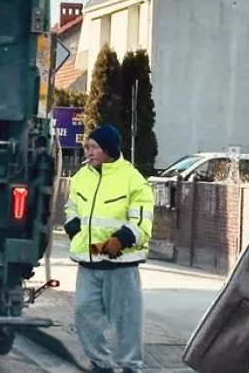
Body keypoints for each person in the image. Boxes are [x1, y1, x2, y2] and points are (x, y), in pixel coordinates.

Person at [61, 124, 154, 373]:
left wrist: (120, 240)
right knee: (84, 314)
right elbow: (71, 206)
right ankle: (100, 364)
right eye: (87, 147)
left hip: (121, 264)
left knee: (126, 320)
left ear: (109, 149)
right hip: (88, 261)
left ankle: (130, 366)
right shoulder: (81, 177)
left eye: (94, 147)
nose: (89, 152)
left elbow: (142, 222)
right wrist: (72, 226)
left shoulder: (133, 180)